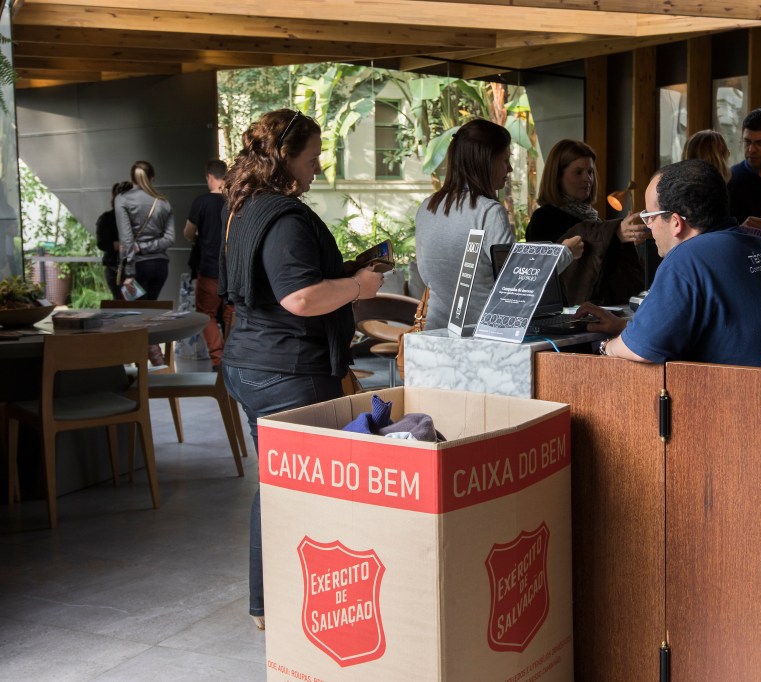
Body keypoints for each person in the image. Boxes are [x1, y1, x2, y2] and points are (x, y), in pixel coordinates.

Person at [218, 108, 384, 630]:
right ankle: (298, 604)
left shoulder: (245, 209)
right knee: (301, 490)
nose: (318, 167)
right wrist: (359, 286)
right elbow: (301, 296)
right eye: (312, 158)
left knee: (277, 484)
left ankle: (269, 603)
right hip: (286, 369)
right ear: (285, 158)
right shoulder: (285, 219)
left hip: (249, 361)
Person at [576, 159, 761, 366]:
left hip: (757, 409)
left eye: (649, 217)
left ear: (675, 222)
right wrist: (622, 326)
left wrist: (604, 347)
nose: (648, 227)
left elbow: (640, 350)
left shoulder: (688, 258)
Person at [415, 119, 517, 330]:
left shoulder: (427, 208)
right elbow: (513, 281)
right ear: (486, 161)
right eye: (505, 160)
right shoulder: (489, 211)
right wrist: (565, 253)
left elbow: (426, 276)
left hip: (436, 335)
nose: (510, 168)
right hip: (483, 335)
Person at [525, 139, 645, 304]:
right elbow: (546, 272)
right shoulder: (544, 219)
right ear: (557, 176)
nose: (587, 179)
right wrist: (614, 232)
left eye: (590, 172)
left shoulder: (592, 217)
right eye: (578, 172)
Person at [183, 159, 230, 370]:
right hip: (232, 270)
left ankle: (218, 358)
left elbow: (188, 233)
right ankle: (232, 357)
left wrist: (200, 238)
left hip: (209, 268)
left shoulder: (201, 202)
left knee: (206, 314)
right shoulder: (234, 202)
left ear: (210, 177)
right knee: (231, 313)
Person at [114, 160, 175, 301]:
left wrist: (129, 273)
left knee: (134, 315)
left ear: (132, 178)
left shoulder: (122, 200)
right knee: (151, 313)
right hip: (160, 266)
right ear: (152, 178)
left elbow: (127, 238)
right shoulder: (164, 202)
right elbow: (169, 239)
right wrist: (144, 247)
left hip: (137, 266)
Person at [727, 108, 761, 225]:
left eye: (760, 143)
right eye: (747, 142)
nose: (751, 150)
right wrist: (740, 230)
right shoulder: (729, 178)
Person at [95, 181, 133, 299]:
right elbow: (102, 244)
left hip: (132, 266)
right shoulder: (107, 218)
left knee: (134, 304)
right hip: (117, 268)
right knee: (125, 303)